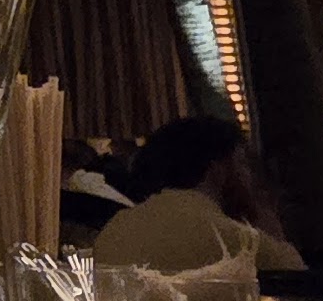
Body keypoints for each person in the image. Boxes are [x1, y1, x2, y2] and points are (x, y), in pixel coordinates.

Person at [93, 115, 305, 276]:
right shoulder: (235, 239)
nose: (249, 178)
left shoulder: (115, 229)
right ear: (218, 169)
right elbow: (299, 287)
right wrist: (269, 227)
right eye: (242, 164)